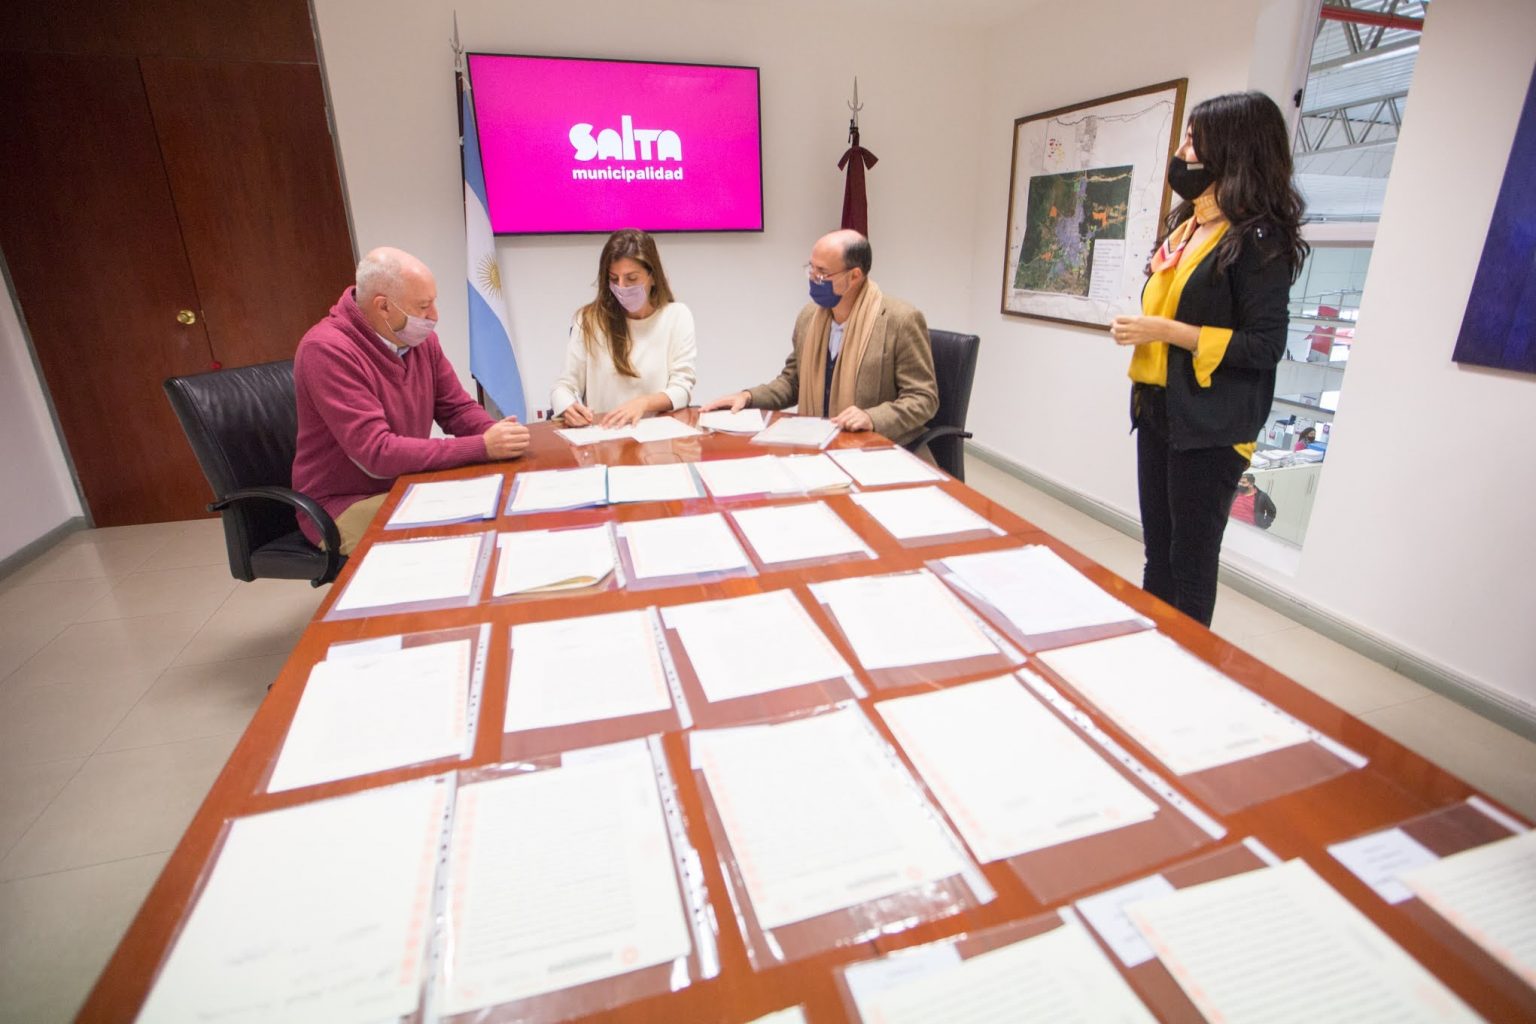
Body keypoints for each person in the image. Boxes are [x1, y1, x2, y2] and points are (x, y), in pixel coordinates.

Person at [1109, 91, 1308, 625]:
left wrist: (1170, 331)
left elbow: (1264, 345)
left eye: (1194, 140)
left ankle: (1189, 670)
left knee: (1190, 566)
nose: (1184, 150)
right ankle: (1157, 649)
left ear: (1232, 148)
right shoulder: (1190, 226)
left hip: (1210, 427)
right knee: (1159, 556)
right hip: (1158, 410)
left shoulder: (1259, 240)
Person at [293, 246, 529, 554]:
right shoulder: (327, 350)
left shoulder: (418, 340)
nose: (434, 316)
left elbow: (455, 408)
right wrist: (482, 447)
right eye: (423, 306)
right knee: (457, 535)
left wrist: (497, 436)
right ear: (383, 307)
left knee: (497, 503)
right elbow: (378, 454)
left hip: (405, 484)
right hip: (343, 504)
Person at [701, 229, 937, 445]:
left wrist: (871, 417)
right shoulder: (809, 317)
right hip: (816, 443)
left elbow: (923, 398)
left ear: (854, 276)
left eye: (822, 273)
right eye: (811, 268)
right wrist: (748, 397)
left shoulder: (900, 320)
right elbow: (792, 383)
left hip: (876, 449)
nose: (813, 278)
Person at [552, 228, 697, 428]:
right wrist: (568, 406)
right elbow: (563, 387)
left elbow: (682, 389)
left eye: (632, 278)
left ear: (653, 277)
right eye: (614, 279)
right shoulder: (589, 320)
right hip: (605, 438)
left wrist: (643, 403)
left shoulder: (677, 316)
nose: (622, 287)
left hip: (657, 440)